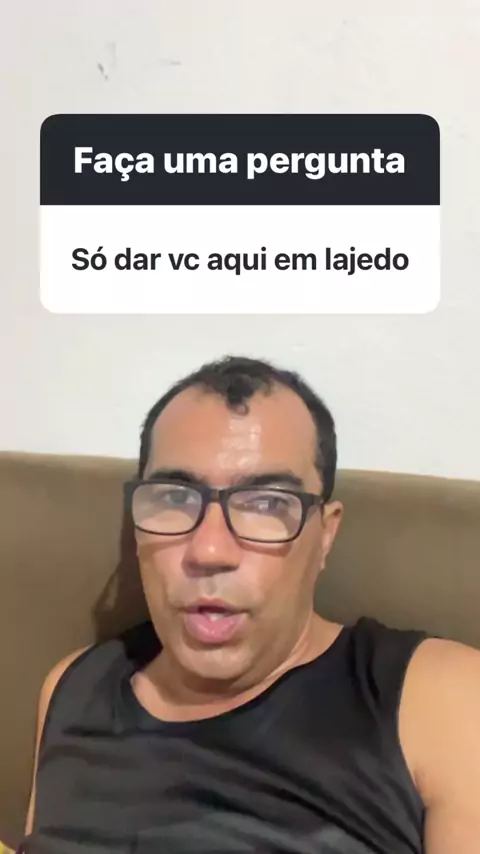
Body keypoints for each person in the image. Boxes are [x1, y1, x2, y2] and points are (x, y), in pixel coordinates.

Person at [23, 356, 480, 853]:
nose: (209, 551)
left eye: (266, 503)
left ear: (325, 535)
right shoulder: (72, 688)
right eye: (174, 498)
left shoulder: (440, 699)